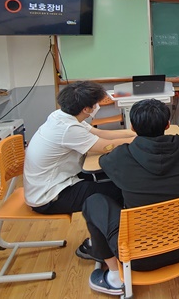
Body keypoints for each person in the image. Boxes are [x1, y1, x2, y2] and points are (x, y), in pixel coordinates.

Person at [82, 99, 179, 296]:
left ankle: (114, 276)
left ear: (133, 127)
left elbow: (104, 161)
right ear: (167, 125)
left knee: (93, 201)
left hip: (138, 256)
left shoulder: (121, 156)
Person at [24, 81, 136, 216]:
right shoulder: (68, 128)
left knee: (117, 175)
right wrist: (142, 140)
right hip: (49, 197)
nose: (97, 106)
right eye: (96, 103)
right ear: (86, 109)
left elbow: (101, 133)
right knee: (122, 191)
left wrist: (136, 133)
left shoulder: (61, 116)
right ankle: (116, 227)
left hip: (57, 181)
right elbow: (105, 146)